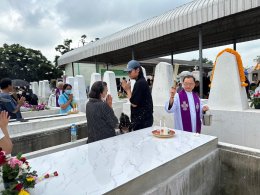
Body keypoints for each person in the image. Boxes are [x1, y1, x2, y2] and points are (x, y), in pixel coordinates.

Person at [121, 60, 153, 130]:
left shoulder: (140, 83)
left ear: (137, 70)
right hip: (144, 120)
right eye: (128, 72)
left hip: (142, 122)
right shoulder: (141, 82)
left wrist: (127, 90)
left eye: (130, 71)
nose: (128, 74)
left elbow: (134, 103)